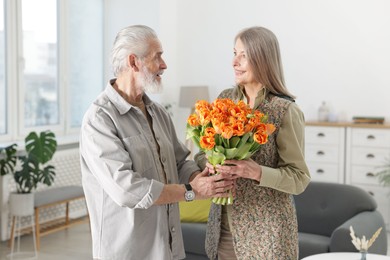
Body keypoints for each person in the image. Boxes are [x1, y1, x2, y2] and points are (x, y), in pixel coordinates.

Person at [79, 25, 233, 260]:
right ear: (133, 62)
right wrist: (191, 192)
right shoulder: (99, 119)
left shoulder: (158, 112)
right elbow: (127, 190)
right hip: (129, 252)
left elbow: (180, 161)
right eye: (157, 56)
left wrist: (198, 177)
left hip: (170, 249)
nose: (164, 64)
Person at [195, 26, 311, 259]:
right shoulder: (224, 99)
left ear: (263, 58)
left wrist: (257, 172)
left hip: (267, 237)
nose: (234, 62)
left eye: (243, 55)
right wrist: (209, 163)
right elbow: (201, 153)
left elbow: (299, 178)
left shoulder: (285, 110)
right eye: (234, 53)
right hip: (223, 230)